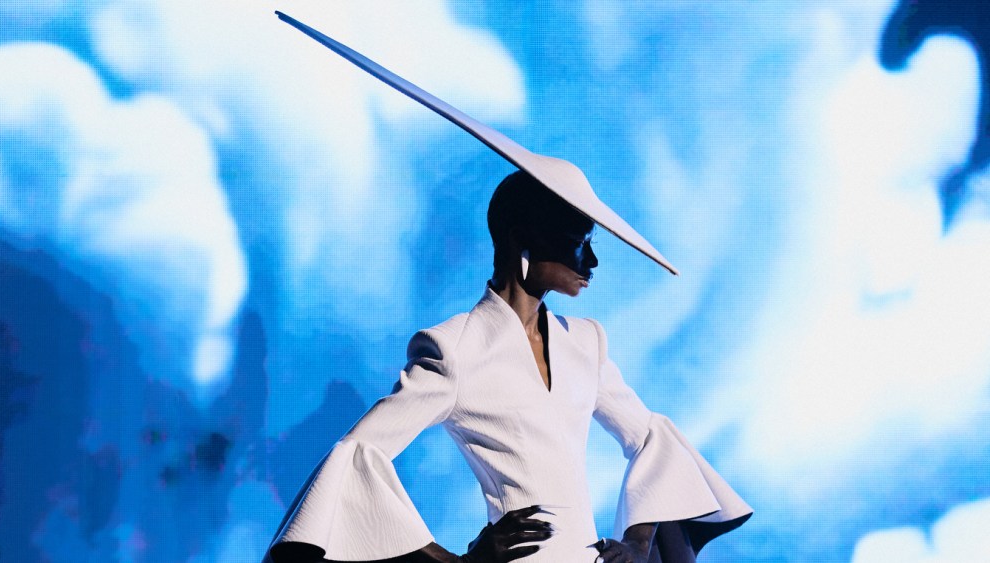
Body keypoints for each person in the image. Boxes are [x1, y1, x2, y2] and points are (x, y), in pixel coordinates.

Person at [268, 12, 752, 563]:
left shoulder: (585, 343)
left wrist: (638, 544)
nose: (592, 261)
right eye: (578, 242)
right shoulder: (454, 349)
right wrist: (457, 562)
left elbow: (650, 439)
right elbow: (358, 455)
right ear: (524, 239)